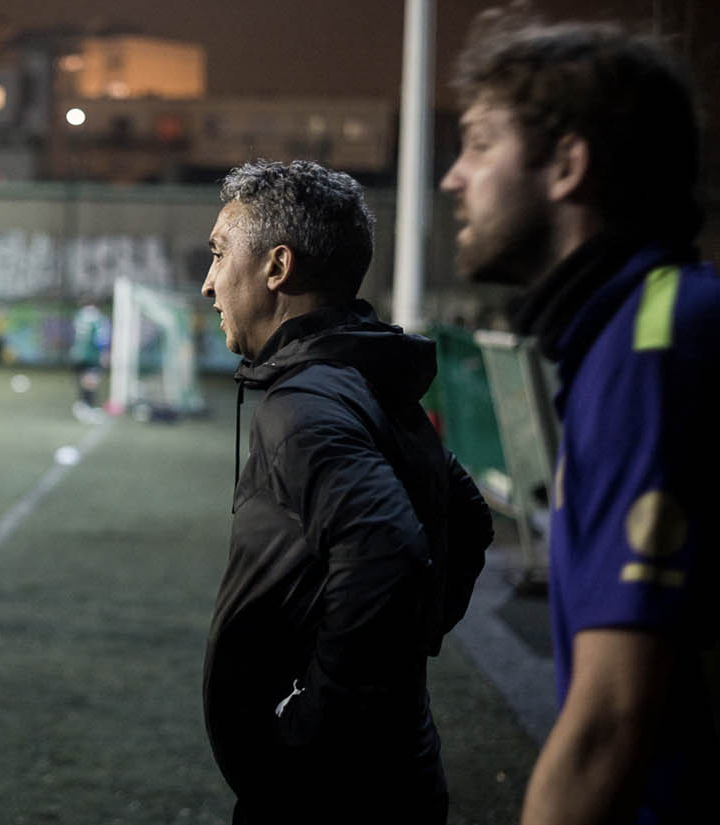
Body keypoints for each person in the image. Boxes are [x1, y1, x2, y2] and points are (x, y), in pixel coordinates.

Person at [441, 10, 718, 823]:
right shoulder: (634, 328)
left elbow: (608, 722)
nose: (453, 177)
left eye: (479, 144)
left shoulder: (654, 347)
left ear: (566, 165)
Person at [199, 160, 492, 823]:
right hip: (389, 764)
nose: (208, 283)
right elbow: (467, 514)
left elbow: (387, 549)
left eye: (218, 254)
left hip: (329, 789)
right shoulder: (361, 376)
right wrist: (404, 652)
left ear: (277, 268)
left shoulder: (306, 403)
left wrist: (318, 718)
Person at [69, 300, 109, 422]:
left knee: (82, 381)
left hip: (77, 354)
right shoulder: (98, 319)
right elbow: (100, 338)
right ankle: (88, 407)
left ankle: (82, 405)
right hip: (91, 355)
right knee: (91, 381)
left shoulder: (79, 316)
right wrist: (104, 353)